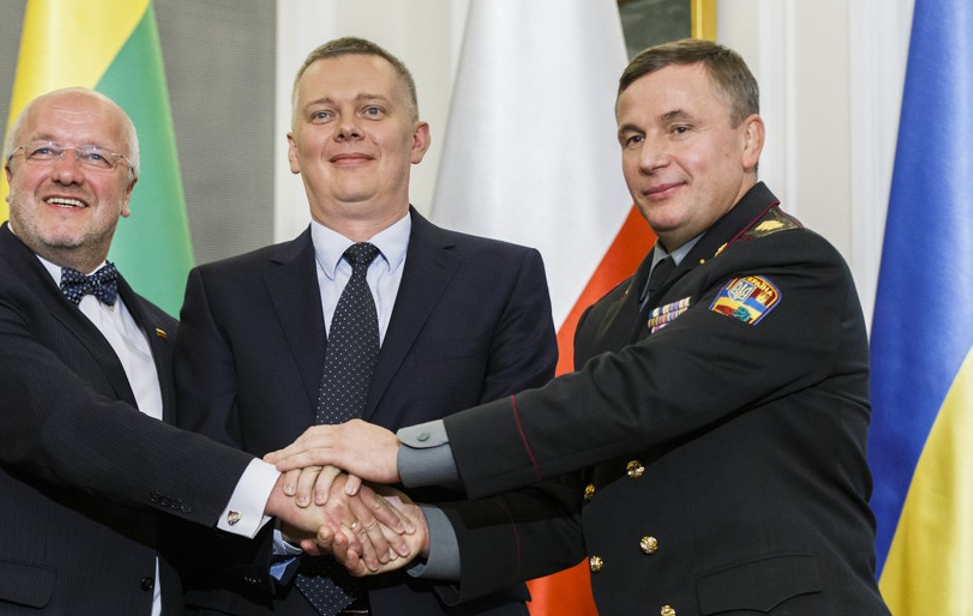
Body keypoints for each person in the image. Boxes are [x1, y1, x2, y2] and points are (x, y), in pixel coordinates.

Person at [269, 39, 892, 615]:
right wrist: (426, 535)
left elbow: (640, 393)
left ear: (749, 139)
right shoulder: (611, 317)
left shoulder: (790, 264)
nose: (652, 158)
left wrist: (403, 452)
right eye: (631, 137)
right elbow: (572, 510)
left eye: (680, 129)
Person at [0, 88, 410, 616]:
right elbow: (70, 426)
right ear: (10, 177)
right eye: (43, 151)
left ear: (128, 190)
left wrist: (290, 534)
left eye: (95, 156)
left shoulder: (168, 334)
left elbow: (174, 492)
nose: (67, 172)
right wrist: (277, 492)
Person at [171, 37, 558, 616]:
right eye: (323, 114)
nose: (347, 128)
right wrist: (284, 528)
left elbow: (522, 464)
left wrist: (418, 532)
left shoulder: (505, 278)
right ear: (294, 149)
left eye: (372, 110)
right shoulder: (221, 293)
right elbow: (199, 472)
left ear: (418, 139)